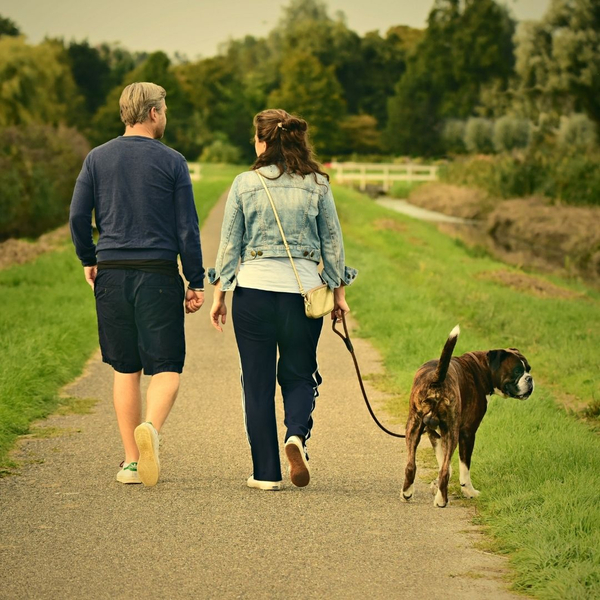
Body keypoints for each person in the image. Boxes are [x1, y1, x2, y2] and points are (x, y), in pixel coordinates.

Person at [209, 108, 357, 490]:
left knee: (256, 383)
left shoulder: (244, 183)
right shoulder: (319, 185)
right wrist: (338, 294)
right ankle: (296, 435)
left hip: (253, 293)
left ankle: (266, 474)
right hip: (303, 295)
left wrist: (219, 295)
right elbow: (333, 245)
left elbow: (230, 245)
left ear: (263, 141)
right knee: (298, 374)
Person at [69, 82, 205, 487]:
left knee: (125, 368)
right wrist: (195, 280)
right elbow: (187, 228)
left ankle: (131, 461)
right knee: (166, 367)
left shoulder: (96, 158)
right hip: (157, 275)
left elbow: (78, 217)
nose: (165, 116)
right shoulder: (173, 162)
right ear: (152, 114)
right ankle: (151, 428)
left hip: (111, 272)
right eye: (164, 110)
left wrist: (88, 259)